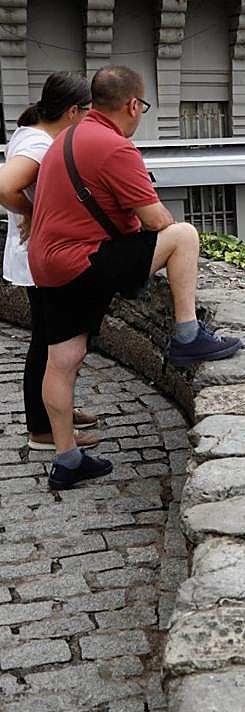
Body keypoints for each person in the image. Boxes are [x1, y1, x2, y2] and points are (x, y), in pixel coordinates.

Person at [28, 65, 242, 491]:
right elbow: (158, 221)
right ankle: (187, 336)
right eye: (142, 107)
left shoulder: (66, 138)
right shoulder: (114, 146)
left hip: (45, 263)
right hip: (81, 261)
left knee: (62, 360)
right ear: (132, 104)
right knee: (184, 236)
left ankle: (67, 459)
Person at [0, 72, 98, 452]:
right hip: (39, 259)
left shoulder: (32, 134)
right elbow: (6, 186)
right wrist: (31, 213)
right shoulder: (40, 145)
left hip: (30, 258)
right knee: (47, 346)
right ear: (73, 111)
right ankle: (42, 428)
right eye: (87, 110)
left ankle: (56, 411)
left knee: (46, 341)